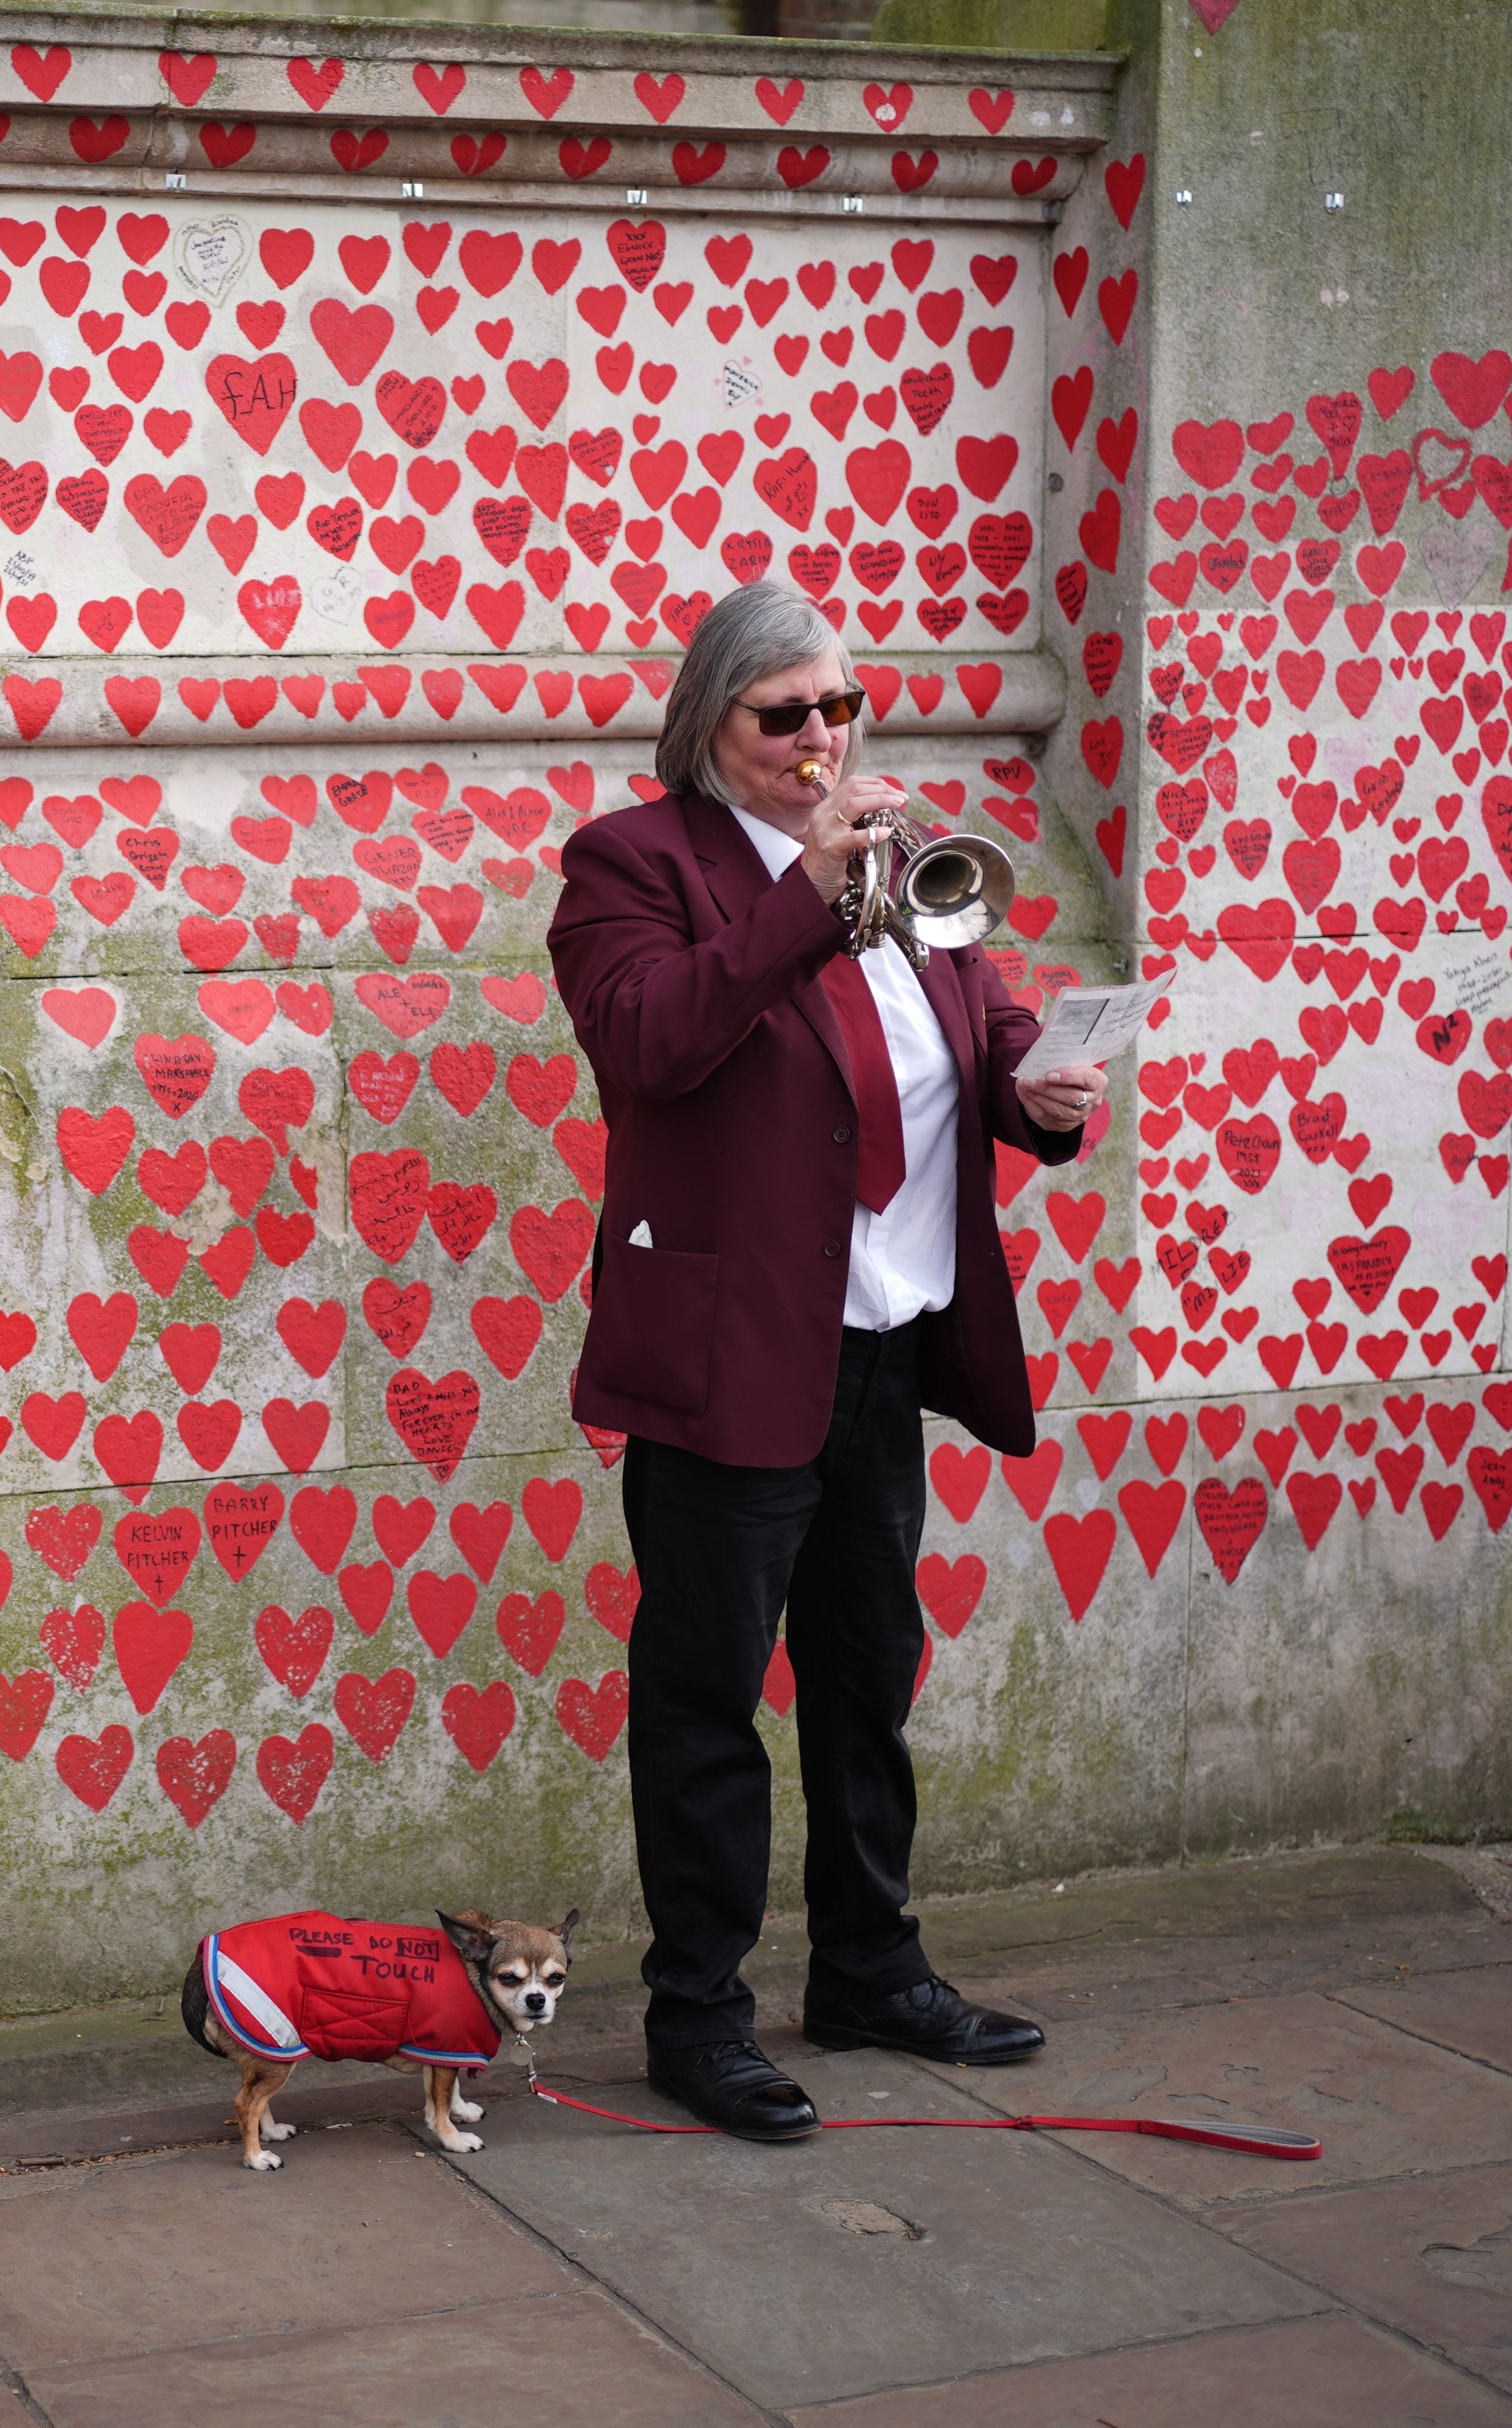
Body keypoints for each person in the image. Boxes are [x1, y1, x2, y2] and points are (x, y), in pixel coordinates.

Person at [544, 579, 1107, 2141]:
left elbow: (967, 1030)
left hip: (886, 1336)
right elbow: (652, 1042)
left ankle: (870, 1964)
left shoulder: (905, 849)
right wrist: (800, 893)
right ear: (708, 722)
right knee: (707, 1697)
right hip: (730, 1354)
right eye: (784, 713)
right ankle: (698, 2014)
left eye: (841, 707)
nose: (823, 739)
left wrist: (1035, 1090)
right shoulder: (632, 867)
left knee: (870, 1678)